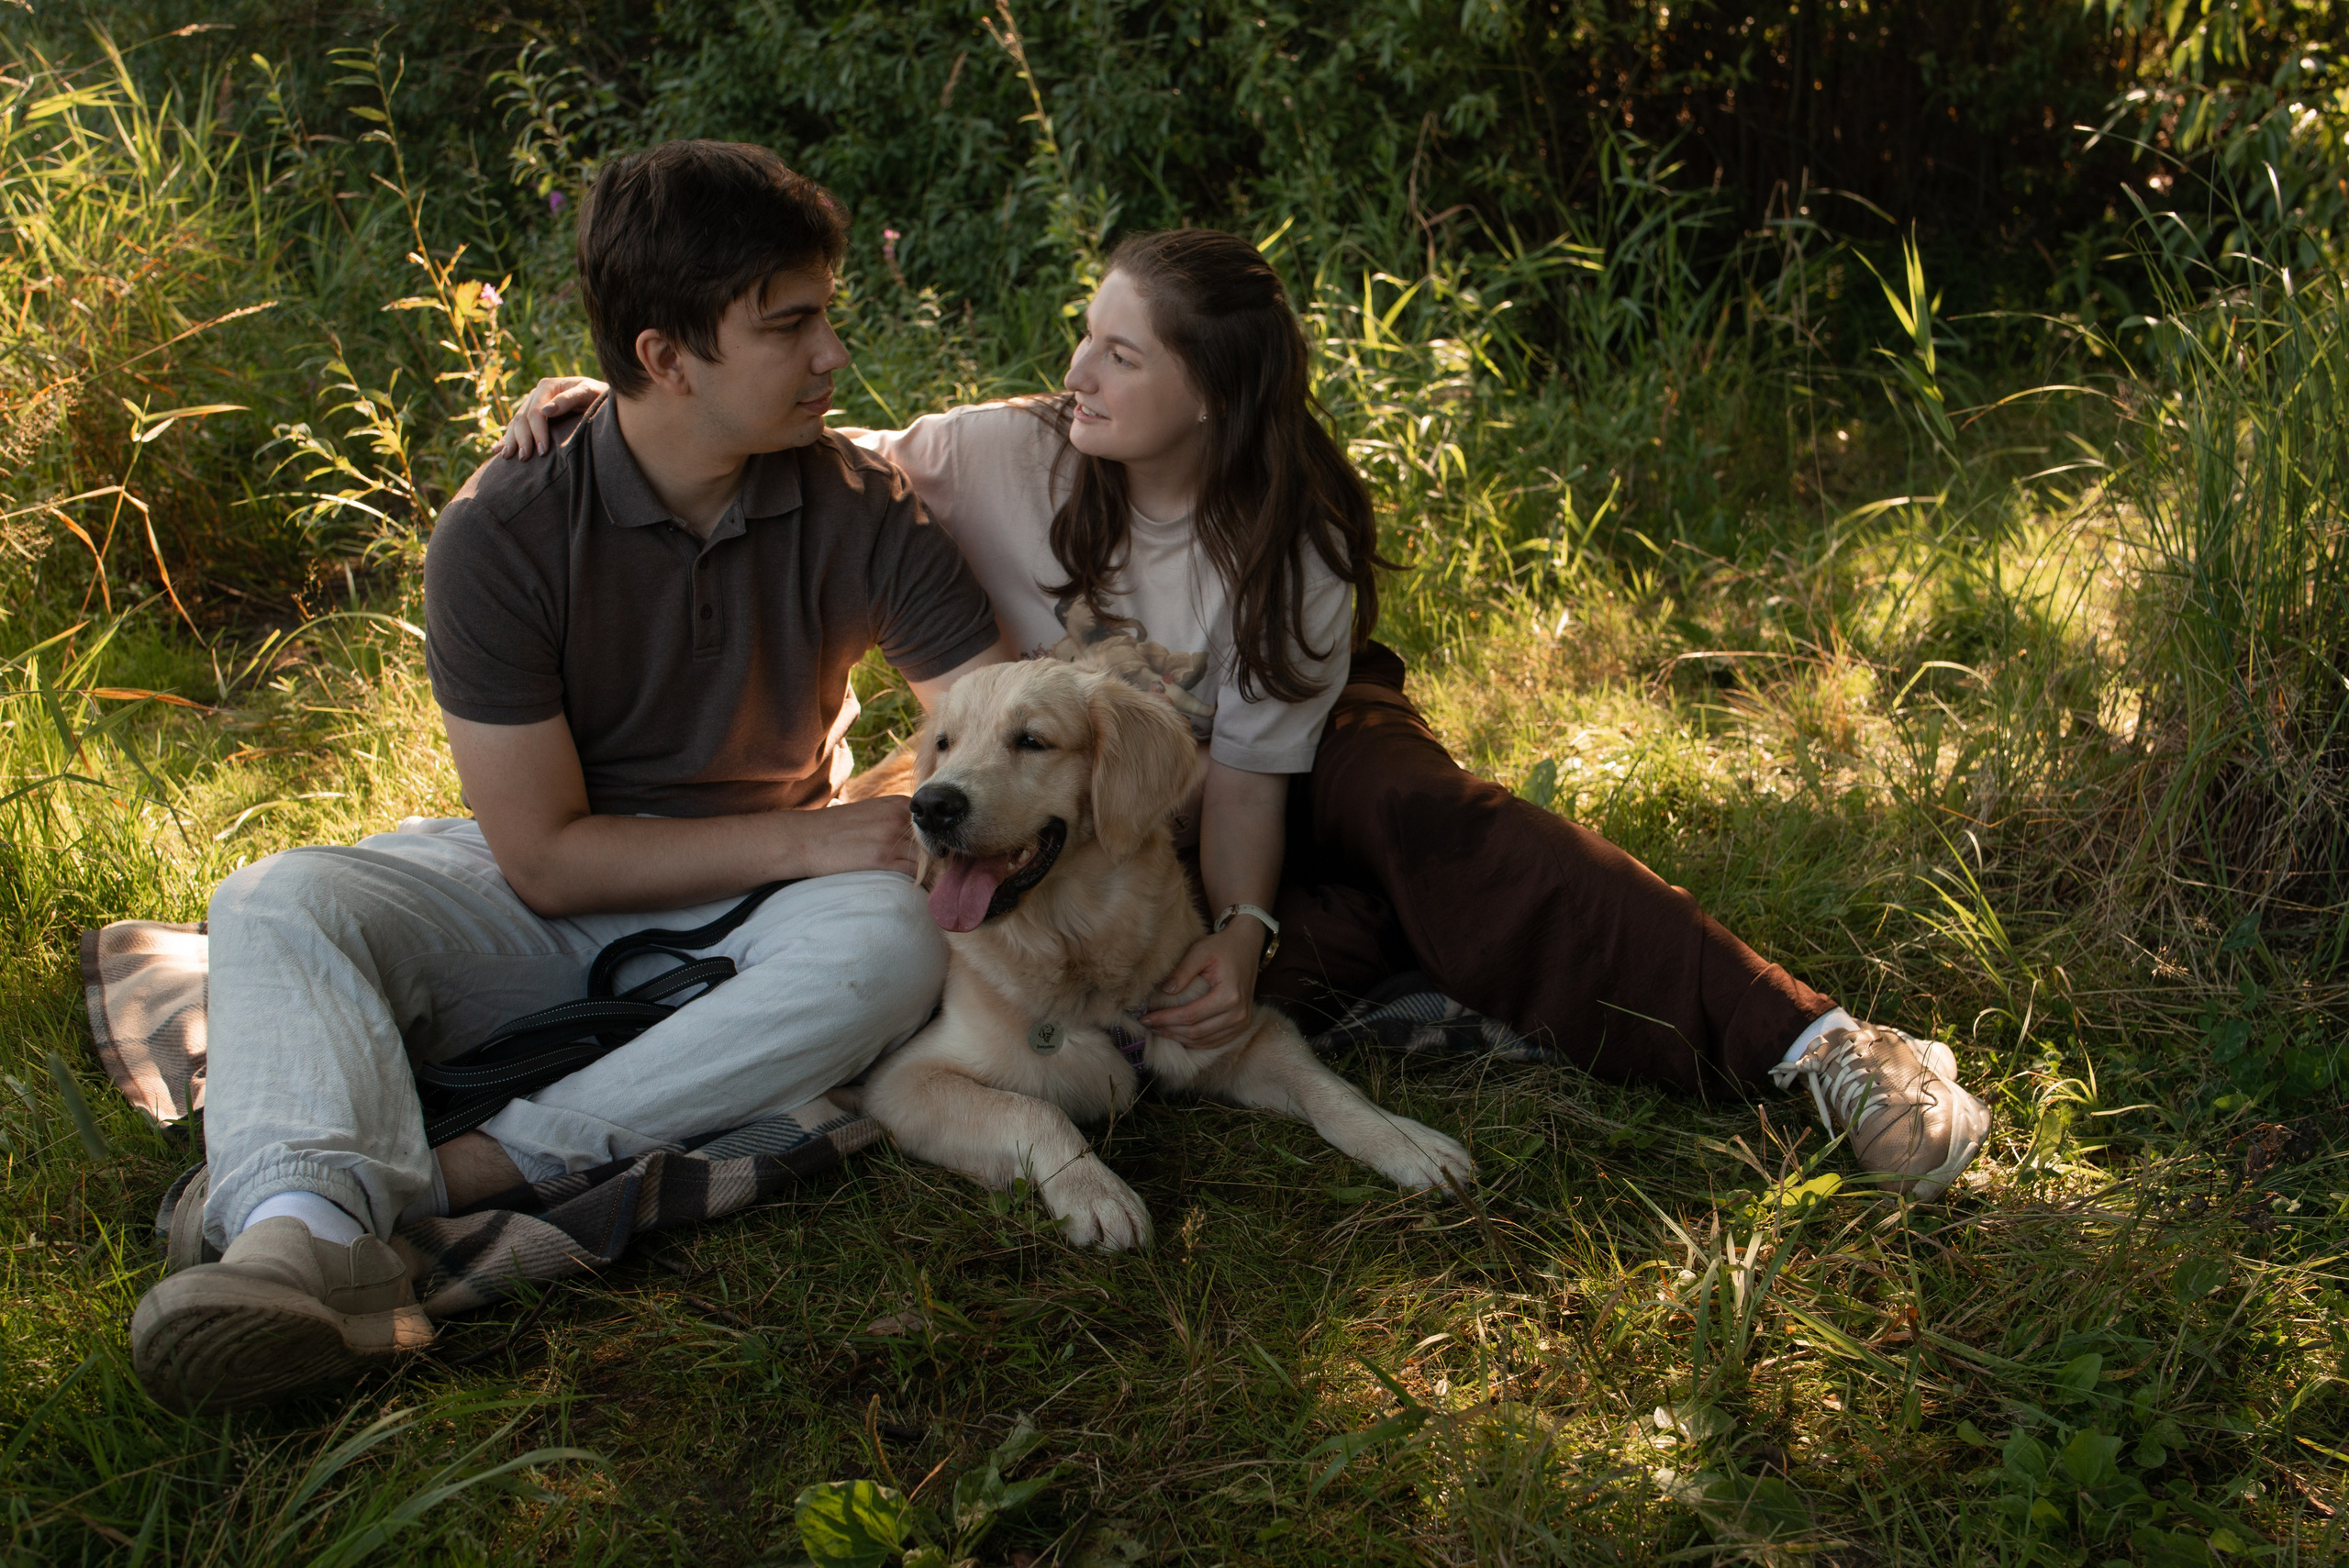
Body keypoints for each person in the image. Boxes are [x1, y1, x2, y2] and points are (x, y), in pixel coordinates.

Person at [499, 229, 1991, 1208]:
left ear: (1212, 395)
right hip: (1083, 794)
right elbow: (790, 437)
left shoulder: (1299, 543)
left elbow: (1256, 791)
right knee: (1212, 987)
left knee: (1428, 830)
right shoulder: (993, 456)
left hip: (1299, 760)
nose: (1075, 370)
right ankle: (1418, 943)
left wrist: (1245, 929)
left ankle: (1821, 1050)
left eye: (1121, 354)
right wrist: (609, 396)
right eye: (1084, 335)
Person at [129, 141, 1011, 1414]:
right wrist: (809, 839)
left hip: (777, 911)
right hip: (554, 887)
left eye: (829, 317)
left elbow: (1000, 728)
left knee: (897, 942)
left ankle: (433, 1187)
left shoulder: (862, 504)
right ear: (664, 357)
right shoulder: (504, 531)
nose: (831, 355)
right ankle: (290, 1242)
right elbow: (543, 855)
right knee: (277, 898)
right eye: (792, 325)